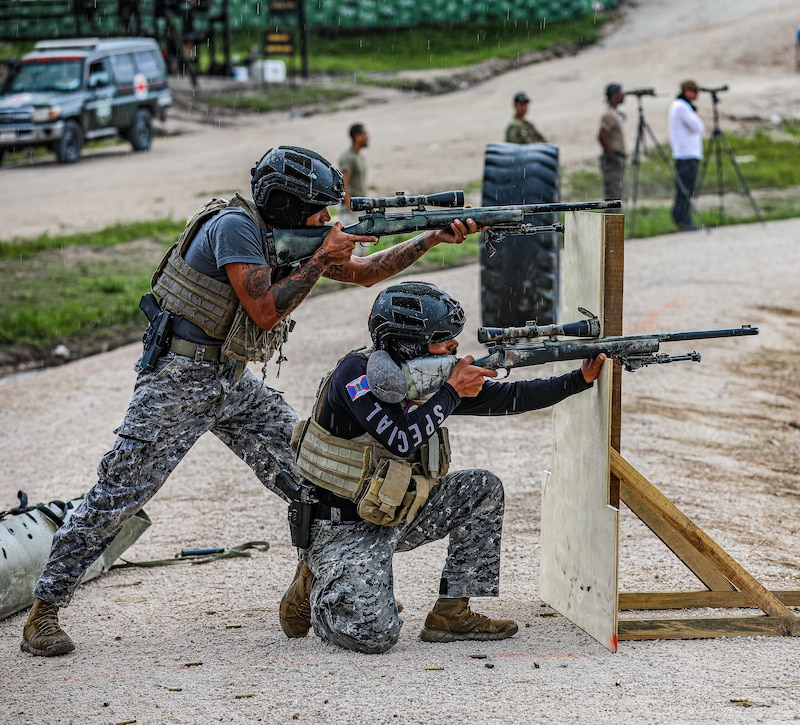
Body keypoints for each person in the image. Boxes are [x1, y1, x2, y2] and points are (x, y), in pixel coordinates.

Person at [20, 146, 479, 657]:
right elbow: (263, 311)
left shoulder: (282, 235)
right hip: (179, 379)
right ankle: (45, 609)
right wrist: (322, 256)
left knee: (313, 471)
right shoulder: (235, 227)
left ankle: (312, 575)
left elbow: (365, 274)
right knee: (118, 493)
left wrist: (431, 237)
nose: (326, 220)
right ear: (286, 205)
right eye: (318, 211)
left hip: (231, 378)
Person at [278, 282, 606, 653]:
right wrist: (450, 393)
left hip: (398, 510)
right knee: (375, 637)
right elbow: (400, 439)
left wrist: (578, 380)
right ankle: (316, 580)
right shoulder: (355, 375)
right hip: (343, 527)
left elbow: (511, 397)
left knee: (482, 489)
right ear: (409, 343)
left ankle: (452, 612)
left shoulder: (429, 379)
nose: (454, 347)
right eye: (443, 339)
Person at [667, 79, 706, 232]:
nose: (697, 95)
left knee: (687, 188)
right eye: (695, 91)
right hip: (686, 153)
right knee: (685, 188)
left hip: (687, 152)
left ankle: (683, 217)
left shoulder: (682, 106)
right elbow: (698, 126)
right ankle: (682, 218)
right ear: (687, 91)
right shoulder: (681, 107)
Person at [597, 82, 626, 201]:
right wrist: (612, 156)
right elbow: (601, 135)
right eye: (620, 93)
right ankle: (611, 219)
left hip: (616, 157)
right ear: (614, 95)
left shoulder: (614, 113)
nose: (623, 96)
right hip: (613, 159)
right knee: (613, 196)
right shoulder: (609, 115)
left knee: (616, 194)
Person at [337, 122, 369, 223]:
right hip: (352, 209)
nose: (367, 137)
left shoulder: (359, 156)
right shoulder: (348, 157)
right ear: (357, 137)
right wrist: (350, 207)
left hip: (360, 206)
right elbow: (344, 184)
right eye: (365, 134)